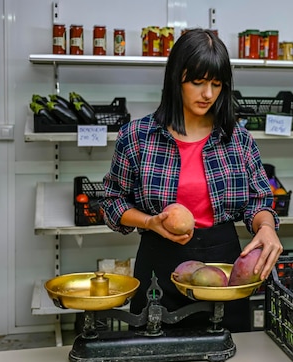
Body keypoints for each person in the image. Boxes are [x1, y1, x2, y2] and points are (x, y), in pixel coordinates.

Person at [101, 28, 283, 333]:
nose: (208, 94)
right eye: (197, 82)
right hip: (159, 268)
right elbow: (112, 202)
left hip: (224, 275)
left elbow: (258, 201)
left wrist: (266, 227)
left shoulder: (236, 138)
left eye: (216, 84)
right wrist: (150, 222)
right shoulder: (137, 136)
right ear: (176, 79)